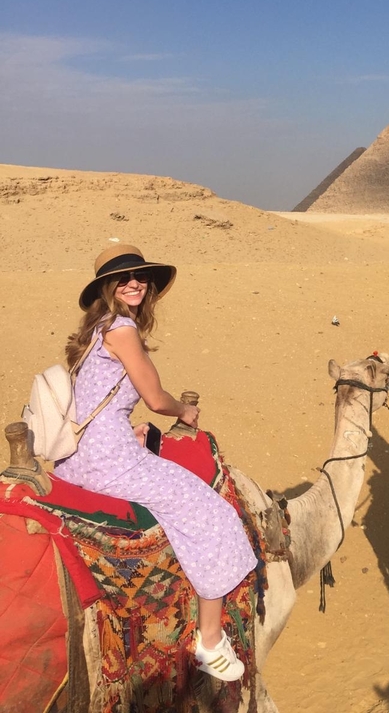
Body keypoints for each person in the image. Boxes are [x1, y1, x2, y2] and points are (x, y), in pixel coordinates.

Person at [54, 243, 256, 682]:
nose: (134, 284)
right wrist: (184, 411)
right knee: (212, 513)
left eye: (140, 276)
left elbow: (97, 400)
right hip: (110, 460)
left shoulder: (96, 331)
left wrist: (127, 428)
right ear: (108, 287)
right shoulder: (122, 328)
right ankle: (209, 641)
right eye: (123, 278)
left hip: (79, 455)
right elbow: (156, 397)